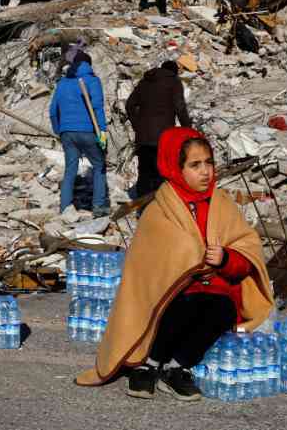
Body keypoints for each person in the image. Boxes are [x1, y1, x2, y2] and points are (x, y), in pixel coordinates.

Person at [75, 127, 274, 401]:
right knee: (182, 305)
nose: (205, 172)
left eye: (209, 163)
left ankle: (177, 367)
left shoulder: (223, 203)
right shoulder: (160, 210)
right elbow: (147, 269)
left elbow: (247, 252)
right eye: (195, 165)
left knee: (222, 308)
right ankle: (149, 363)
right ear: (175, 167)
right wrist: (190, 259)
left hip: (217, 288)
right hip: (174, 291)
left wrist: (226, 258)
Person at [49, 51, 110, 217]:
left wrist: (58, 130)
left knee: (70, 169)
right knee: (99, 166)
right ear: (88, 65)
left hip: (67, 132)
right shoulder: (92, 80)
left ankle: (65, 208)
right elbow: (97, 107)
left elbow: (53, 110)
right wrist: (102, 131)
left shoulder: (62, 83)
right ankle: (98, 208)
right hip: (89, 131)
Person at [126, 61, 192, 198]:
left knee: (144, 171)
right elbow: (180, 107)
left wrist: (137, 125)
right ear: (174, 71)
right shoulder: (173, 82)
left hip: (143, 137)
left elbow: (129, 105)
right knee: (162, 171)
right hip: (164, 136)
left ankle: (143, 210)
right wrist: (188, 130)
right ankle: (159, 208)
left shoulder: (145, 82)